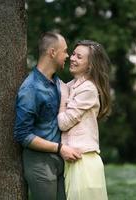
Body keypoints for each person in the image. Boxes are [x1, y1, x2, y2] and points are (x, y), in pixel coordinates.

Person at [13, 32, 81, 200]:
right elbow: (22, 135)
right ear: (52, 52)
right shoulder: (30, 89)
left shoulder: (58, 84)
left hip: (61, 161)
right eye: (65, 51)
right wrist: (59, 148)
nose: (67, 56)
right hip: (40, 164)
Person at [58, 40, 111, 200]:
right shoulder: (70, 85)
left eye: (79, 57)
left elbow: (63, 123)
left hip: (84, 161)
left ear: (90, 65)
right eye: (73, 54)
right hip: (72, 159)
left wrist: (62, 99)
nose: (72, 58)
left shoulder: (88, 89)